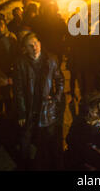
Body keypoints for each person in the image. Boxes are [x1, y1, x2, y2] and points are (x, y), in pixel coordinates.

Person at [13, 32, 65, 170]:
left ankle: (52, 163)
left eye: (35, 43)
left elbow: (60, 79)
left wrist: (55, 98)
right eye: (30, 45)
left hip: (47, 107)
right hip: (30, 107)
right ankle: (24, 164)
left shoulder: (51, 59)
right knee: (26, 137)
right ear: (25, 48)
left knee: (49, 137)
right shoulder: (21, 63)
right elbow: (18, 90)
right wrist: (22, 112)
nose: (34, 47)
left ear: (40, 43)